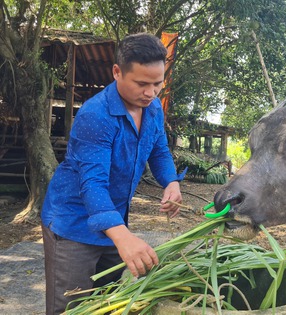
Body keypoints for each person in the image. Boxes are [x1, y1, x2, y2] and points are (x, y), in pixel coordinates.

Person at [41, 33, 185, 314]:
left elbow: (159, 151)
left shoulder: (153, 108)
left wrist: (171, 182)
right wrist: (124, 237)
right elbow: (93, 184)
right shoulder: (96, 115)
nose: (150, 93)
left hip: (113, 221)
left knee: (106, 304)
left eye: (158, 83)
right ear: (117, 72)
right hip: (74, 224)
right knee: (72, 308)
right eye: (142, 83)